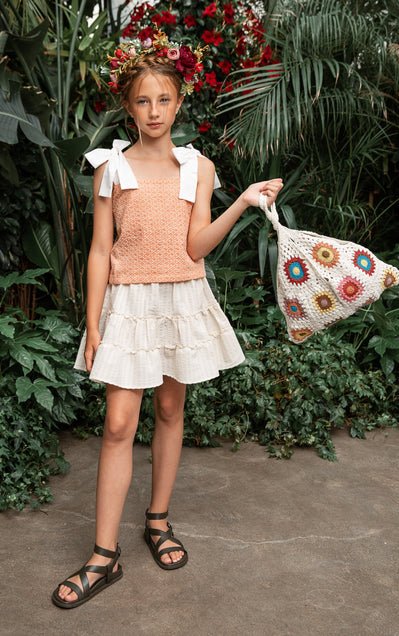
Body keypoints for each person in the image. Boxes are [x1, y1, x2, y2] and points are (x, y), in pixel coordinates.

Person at [51, 30, 283, 609]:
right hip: (128, 305)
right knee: (117, 425)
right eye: (142, 101)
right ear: (128, 108)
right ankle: (103, 556)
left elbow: (196, 246)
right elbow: (100, 250)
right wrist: (94, 322)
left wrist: (243, 200)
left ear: (179, 104)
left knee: (171, 409)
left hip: (181, 300)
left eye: (164, 100)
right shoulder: (110, 167)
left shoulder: (197, 168)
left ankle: (158, 520)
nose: (154, 111)